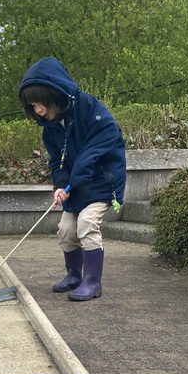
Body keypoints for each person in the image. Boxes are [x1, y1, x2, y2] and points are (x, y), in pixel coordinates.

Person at [20, 57, 126, 300]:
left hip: (101, 184)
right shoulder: (50, 128)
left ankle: (92, 282)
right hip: (76, 188)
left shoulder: (90, 107)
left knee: (86, 224)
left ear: (54, 95)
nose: (38, 111)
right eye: (33, 106)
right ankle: (74, 275)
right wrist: (60, 185)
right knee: (66, 229)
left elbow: (100, 143)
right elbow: (57, 160)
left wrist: (76, 176)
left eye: (40, 104)